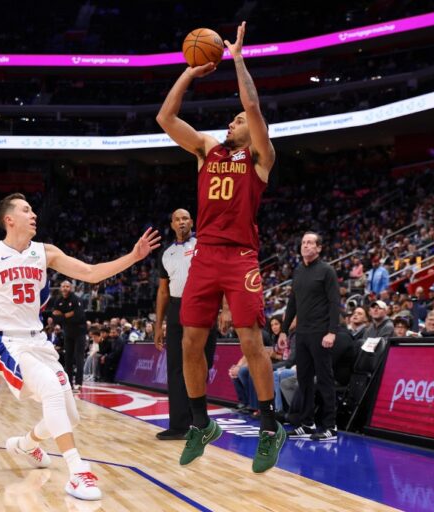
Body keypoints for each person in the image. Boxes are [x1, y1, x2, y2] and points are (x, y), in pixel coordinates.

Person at [0, 193, 160, 501]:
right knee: (50, 389)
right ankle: (77, 472)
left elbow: (90, 273)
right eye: (26, 210)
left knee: (69, 415)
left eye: (33, 209)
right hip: (8, 341)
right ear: (9, 219)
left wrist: (133, 257)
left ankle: (27, 444)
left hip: (39, 341)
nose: (33, 214)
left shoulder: (45, 252)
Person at [156, 21, 285, 473]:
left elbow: (251, 104)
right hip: (205, 255)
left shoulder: (260, 157)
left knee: (251, 341)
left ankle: (270, 427)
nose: (230, 121)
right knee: (190, 341)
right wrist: (191, 70)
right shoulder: (207, 150)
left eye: (237, 120)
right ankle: (199, 422)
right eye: (231, 119)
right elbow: (166, 119)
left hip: (241, 257)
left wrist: (237, 58)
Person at [154, 208, 217, 440]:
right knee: (176, 367)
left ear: (191, 222)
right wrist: (159, 324)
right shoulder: (166, 253)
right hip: (176, 308)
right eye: (177, 219)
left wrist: (225, 308)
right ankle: (179, 425)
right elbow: (162, 290)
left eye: (185, 218)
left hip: (203, 304)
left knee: (201, 364)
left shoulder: (204, 245)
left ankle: (200, 423)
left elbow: (220, 275)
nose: (181, 222)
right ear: (171, 224)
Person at [279, 232, 341, 441]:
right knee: (303, 380)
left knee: (324, 379)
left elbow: (334, 303)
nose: (305, 246)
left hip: (321, 332)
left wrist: (332, 331)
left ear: (319, 248)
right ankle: (307, 423)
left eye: (310, 243)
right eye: (303, 242)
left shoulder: (327, 271)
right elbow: (292, 304)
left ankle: (330, 426)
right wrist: (283, 330)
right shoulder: (298, 271)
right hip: (302, 334)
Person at [53, 280, 87, 392]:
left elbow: (79, 316)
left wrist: (62, 316)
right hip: (67, 332)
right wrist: (67, 315)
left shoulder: (76, 300)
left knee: (79, 358)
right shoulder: (58, 301)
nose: (65, 288)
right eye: (63, 286)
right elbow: (55, 318)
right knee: (68, 359)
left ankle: (78, 383)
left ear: (71, 288)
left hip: (80, 332)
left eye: (67, 286)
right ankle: (68, 384)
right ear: (60, 288)